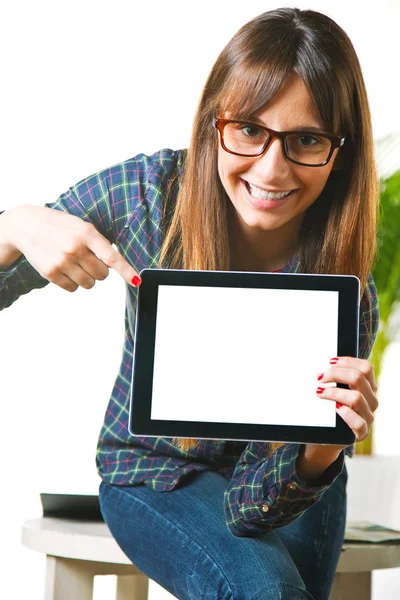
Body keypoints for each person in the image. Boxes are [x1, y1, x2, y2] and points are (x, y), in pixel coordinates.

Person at [0, 7, 379, 600]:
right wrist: (14, 225)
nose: (272, 169)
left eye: (307, 139)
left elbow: (255, 508)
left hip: (288, 483)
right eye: (250, 130)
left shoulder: (344, 288)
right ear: (214, 124)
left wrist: (320, 450)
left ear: (340, 152)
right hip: (152, 472)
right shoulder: (148, 196)